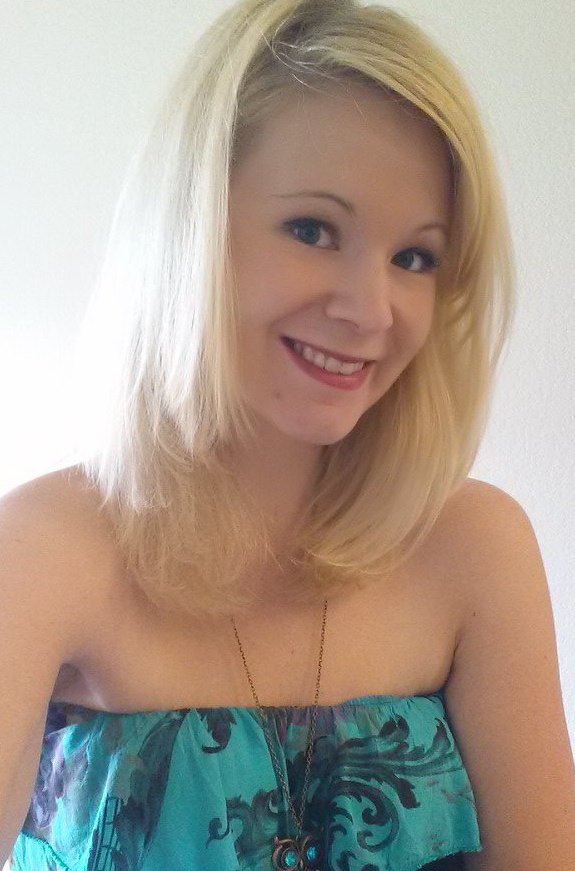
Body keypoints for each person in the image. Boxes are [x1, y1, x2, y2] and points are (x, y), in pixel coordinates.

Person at [2, 0, 575, 868]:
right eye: (312, 230)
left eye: (413, 256)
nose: (370, 310)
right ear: (192, 229)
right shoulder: (43, 552)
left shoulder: (474, 548)